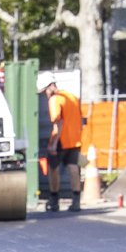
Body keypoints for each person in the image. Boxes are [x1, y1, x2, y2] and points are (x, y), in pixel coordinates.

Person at [38, 76, 84, 213]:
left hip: (61, 140)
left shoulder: (55, 99)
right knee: (74, 168)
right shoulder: (73, 97)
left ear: (50, 86)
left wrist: (53, 144)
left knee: (53, 168)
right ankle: (76, 202)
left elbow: (58, 122)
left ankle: (54, 200)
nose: (45, 94)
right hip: (75, 139)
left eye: (45, 90)